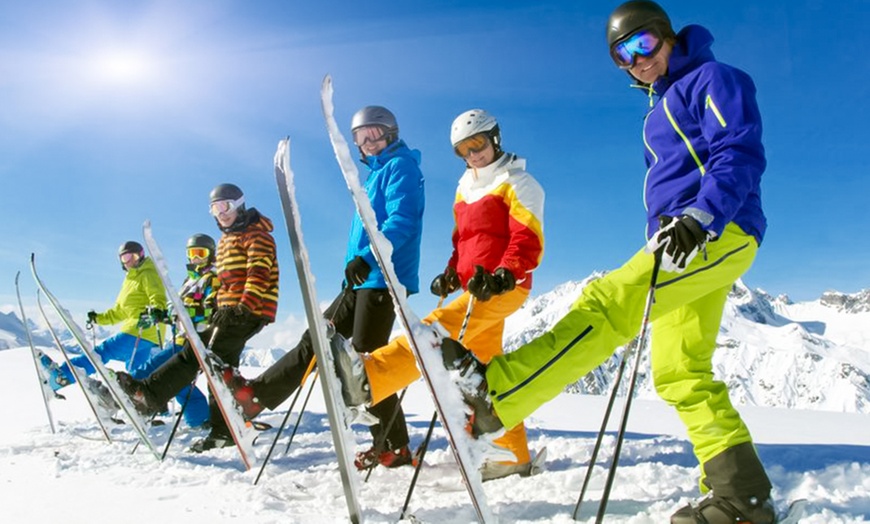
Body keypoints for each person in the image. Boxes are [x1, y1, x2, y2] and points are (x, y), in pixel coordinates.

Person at [457, 2, 772, 522]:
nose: (636, 60)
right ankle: (742, 497)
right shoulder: (660, 106)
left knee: (606, 305)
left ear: (666, 35)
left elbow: (737, 150)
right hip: (684, 239)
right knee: (680, 372)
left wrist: (701, 216)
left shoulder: (713, 78)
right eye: (622, 56)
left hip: (717, 230)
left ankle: (497, 392)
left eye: (643, 44)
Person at [342, 109, 545, 481]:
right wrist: (452, 272)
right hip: (474, 289)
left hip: (501, 288)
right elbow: (463, 241)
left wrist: (504, 273)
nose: (473, 154)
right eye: (463, 150)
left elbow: (526, 239)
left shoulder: (519, 183)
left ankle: (371, 378)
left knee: (432, 334)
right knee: (489, 376)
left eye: (478, 144)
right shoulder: (466, 186)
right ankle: (512, 454)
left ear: (494, 139)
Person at [226, 106, 425, 470]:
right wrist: (360, 262)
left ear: (391, 134)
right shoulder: (374, 174)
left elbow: (402, 221)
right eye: (361, 138)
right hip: (363, 278)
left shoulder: (401, 167)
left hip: (383, 278)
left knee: (364, 367)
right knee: (317, 338)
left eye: (375, 134)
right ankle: (255, 397)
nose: (369, 143)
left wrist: (367, 256)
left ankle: (394, 447)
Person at [117, 183, 279, 452]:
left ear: (239, 204)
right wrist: (220, 309)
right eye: (215, 208)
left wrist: (243, 306)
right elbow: (226, 286)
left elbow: (258, 275)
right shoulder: (228, 239)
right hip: (228, 312)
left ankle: (149, 395)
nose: (220, 212)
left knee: (197, 355)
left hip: (246, 311)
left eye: (225, 205)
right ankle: (224, 429)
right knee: (218, 368)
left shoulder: (256, 236)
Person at [40, 241, 168, 395]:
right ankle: (150, 406)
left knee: (102, 353)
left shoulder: (147, 273)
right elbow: (119, 312)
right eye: (124, 258)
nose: (129, 261)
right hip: (147, 333)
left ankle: (62, 376)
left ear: (141, 256)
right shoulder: (131, 281)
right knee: (137, 373)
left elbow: (158, 295)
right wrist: (98, 318)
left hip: (141, 328)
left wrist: (157, 310)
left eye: (132, 256)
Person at [130, 233, 220, 429]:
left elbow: (212, 310)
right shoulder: (189, 281)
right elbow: (177, 310)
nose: (195, 258)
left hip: (194, 340)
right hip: (180, 339)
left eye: (200, 253)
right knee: (179, 384)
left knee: (148, 371)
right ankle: (200, 419)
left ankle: (134, 404)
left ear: (211, 255)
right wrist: (162, 314)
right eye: (192, 253)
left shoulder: (212, 279)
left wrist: (182, 312)